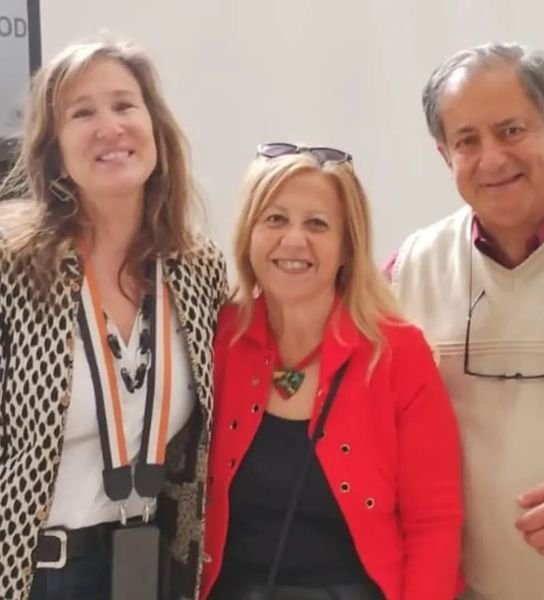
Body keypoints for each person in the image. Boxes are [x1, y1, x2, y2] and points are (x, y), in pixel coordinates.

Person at [0, 37, 227, 600]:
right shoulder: (12, 269)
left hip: (151, 569)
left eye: (125, 105)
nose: (110, 127)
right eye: (82, 113)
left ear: (155, 128)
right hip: (33, 574)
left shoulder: (197, 269)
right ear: (54, 150)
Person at [199, 143, 463, 600]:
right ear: (248, 235)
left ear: (347, 247)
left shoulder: (398, 354)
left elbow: (434, 522)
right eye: (275, 219)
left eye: (317, 224)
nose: (293, 240)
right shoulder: (217, 339)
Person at [389, 43, 544, 600]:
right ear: (445, 156)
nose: (492, 159)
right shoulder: (410, 270)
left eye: (511, 131)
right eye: (467, 141)